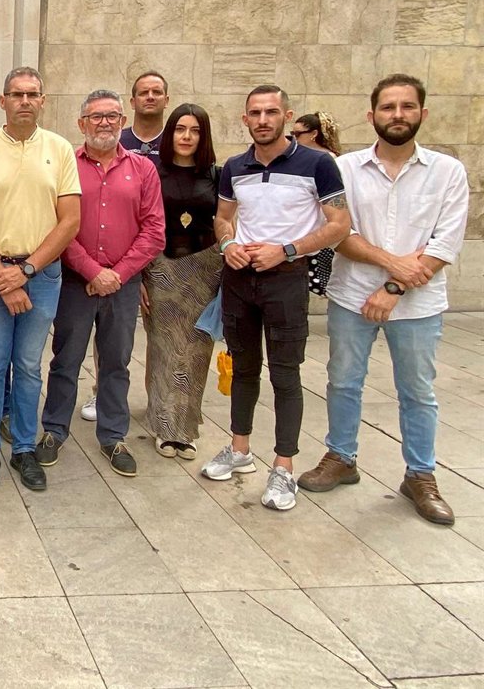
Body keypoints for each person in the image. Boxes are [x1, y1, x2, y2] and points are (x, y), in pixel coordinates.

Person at [298, 75, 468, 525]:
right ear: (371, 115)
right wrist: (394, 263)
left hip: (418, 305)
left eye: (407, 106)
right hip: (352, 296)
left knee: (417, 391)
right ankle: (341, 457)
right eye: (388, 107)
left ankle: (420, 474)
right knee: (343, 381)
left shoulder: (448, 172)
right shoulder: (345, 169)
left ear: (422, 113)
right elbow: (338, 232)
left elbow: (446, 242)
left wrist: (394, 288)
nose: (398, 115)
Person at [201, 85, 350, 512]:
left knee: (285, 374)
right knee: (243, 368)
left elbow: (339, 224)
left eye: (271, 112)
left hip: (285, 279)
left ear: (287, 115)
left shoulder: (317, 163)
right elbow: (223, 218)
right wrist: (228, 245)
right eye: (255, 113)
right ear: (245, 119)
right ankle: (239, 448)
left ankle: (283, 467)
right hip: (240, 278)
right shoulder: (235, 166)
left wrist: (286, 250)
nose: (263, 120)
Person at [0, 66, 81, 493]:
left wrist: (26, 271)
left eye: (32, 94)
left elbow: (70, 221)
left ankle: (25, 448)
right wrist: (3, 276)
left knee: (29, 366)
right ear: (3, 101)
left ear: (43, 101)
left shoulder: (60, 149)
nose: (25, 101)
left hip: (42, 275)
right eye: (17, 94)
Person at [38, 90, 164, 476]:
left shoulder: (143, 170)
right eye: (96, 117)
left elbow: (154, 231)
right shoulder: (66, 165)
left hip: (122, 285)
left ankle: (113, 435)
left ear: (123, 122)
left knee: (116, 362)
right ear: (81, 124)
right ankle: (54, 430)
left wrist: (118, 275)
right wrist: (93, 272)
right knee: (66, 359)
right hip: (76, 282)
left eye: (112, 116)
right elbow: (56, 226)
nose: (104, 123)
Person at [141, 104, 222, 460]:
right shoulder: (151, 171)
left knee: (197, 350)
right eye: (180, 129)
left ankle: (185, 429)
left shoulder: (217, 175)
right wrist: (139, 276)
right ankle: (163, 425)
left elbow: (228, 221)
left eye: (195, 130)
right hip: (162, 267)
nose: (187, 137)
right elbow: (141, 222)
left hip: (205, 268)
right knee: (164, 348)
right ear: (170, 133)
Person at [292, 112, 342, 297]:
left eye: (298, 134)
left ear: (313, 134)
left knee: (323, 281)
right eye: (292, 134)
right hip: (306, 229)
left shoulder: (330, 161)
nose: (294, 138)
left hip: (322, 230)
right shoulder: (302, 159)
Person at [119, 71, 169, 158]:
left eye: (156, 92)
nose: (150, 97)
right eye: (144, 93)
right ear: (133, 102)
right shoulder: (117, 141)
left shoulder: (174, 143)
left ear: (166, 101)